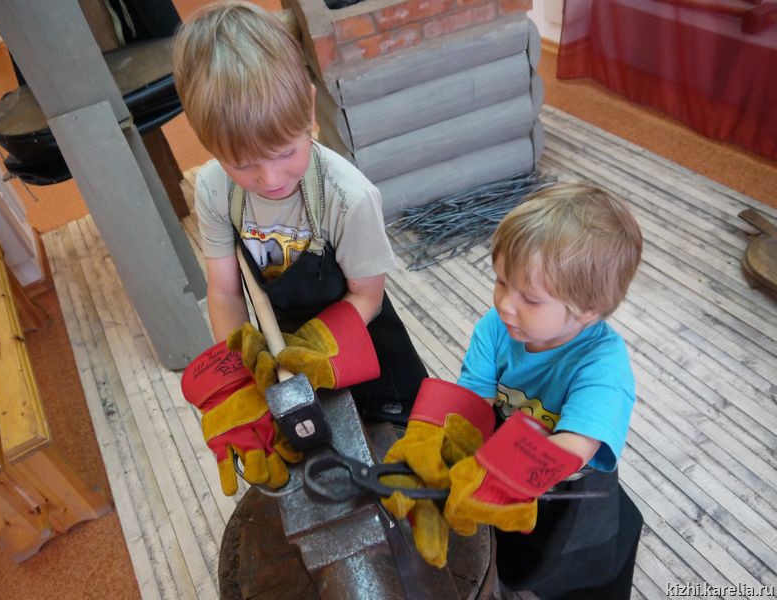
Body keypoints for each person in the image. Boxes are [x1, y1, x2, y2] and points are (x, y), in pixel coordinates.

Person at [173, 2, 427, 495]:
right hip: (280, 351)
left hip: (363, 342)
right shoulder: (213, 189)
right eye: (243, 164)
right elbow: (225, 291)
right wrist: (239, 376)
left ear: (309, 108)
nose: (270, 178)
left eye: (286, 152)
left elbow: (368, 295)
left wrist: (315, 350)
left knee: (399, 452)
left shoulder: (348, 196)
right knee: (312, 462)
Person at [382, 183, 644, 600]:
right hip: (505, 463)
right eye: (501, 281)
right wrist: (436, 456)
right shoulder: (497, 327)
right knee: (511, 557)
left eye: (531, 299)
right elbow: (473, 405)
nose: (505, 304)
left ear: (588, 308)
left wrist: (498, 478)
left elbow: (575, 446)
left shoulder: (603, 368)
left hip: (570, 490)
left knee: (582, 576)